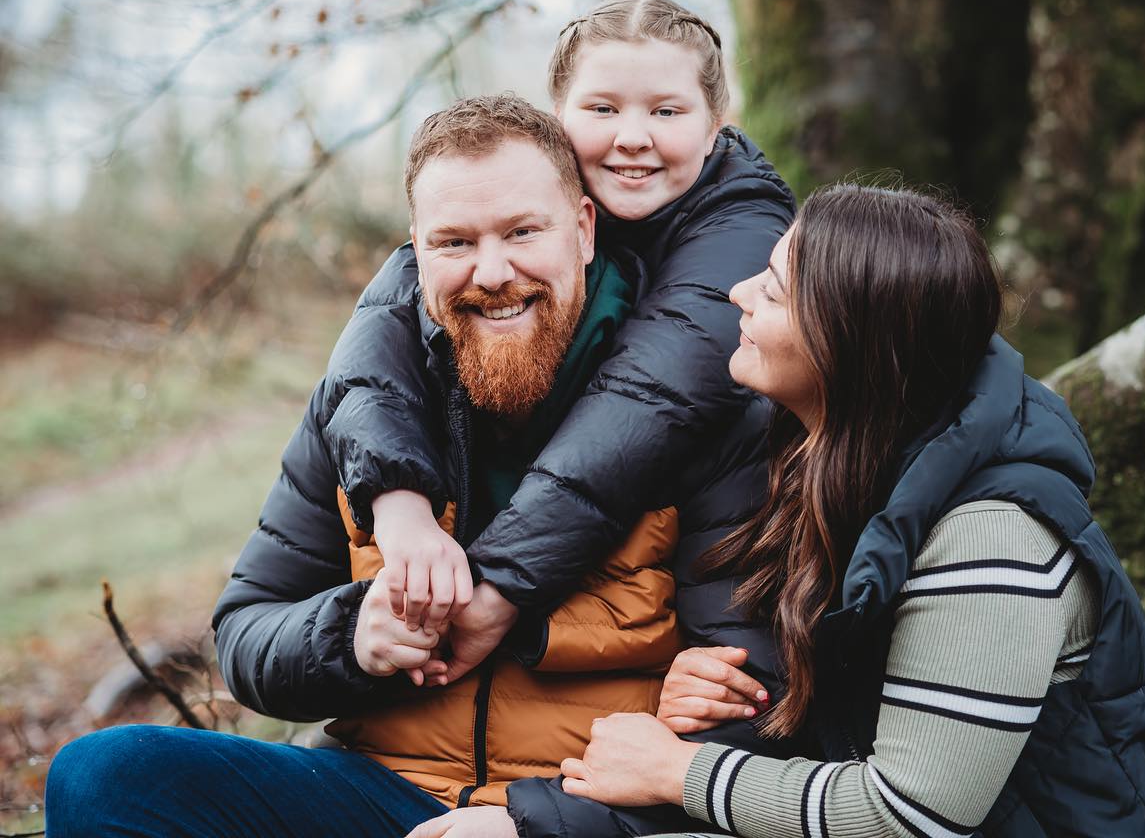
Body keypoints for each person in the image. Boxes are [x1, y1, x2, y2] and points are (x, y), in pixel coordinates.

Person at [43, 95, 785, 838]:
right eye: (453, 242)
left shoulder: (696, 407)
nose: (492, 272)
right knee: (104, 774)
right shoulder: (369, 404)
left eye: (523, 232)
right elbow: (245, 633)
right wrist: (351, 636)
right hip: (380, 791)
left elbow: (750, 699)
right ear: (414, 249)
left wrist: (537, 820)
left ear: (584, 230)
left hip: (574, 808)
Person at [555, 184, 1145, 838]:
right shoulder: (841, 466)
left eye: (771, 288)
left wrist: (681, 772)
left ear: (846, 344)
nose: (738, 295)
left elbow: (910, 816)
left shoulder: (991, 538)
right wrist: (711, 693)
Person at [338, 0, 795, 696]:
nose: (633, 137)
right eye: (603, 109)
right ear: (559, 117)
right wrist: (396, 499)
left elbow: (650, 398)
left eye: (666, 112)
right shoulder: (526, 197)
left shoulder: (742, 228)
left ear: (715, 127)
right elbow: (385, 313)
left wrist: (496, 587)